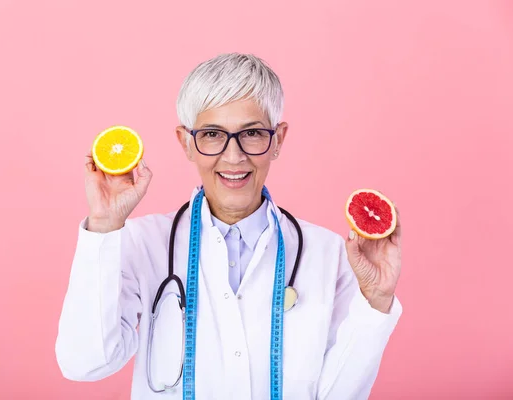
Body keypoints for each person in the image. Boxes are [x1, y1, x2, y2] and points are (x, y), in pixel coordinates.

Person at [55, 53, 403, 400]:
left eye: (251, 133)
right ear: (187, 143)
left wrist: (375, 302)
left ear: (278, 139)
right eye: (211, 134)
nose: (233, 156)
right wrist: (103, 226)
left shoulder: (328, 253)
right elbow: (84, 363)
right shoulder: (141, 243)